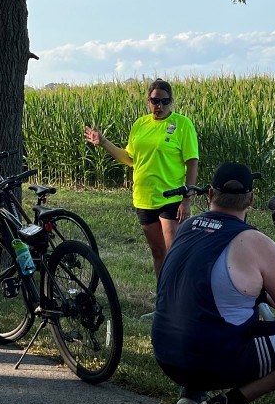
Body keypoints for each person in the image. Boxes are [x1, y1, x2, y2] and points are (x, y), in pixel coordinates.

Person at [151, 162, 275, 404]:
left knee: (206, 312)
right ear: (251, 200)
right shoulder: (257, 243)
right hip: (211, 362)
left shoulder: (186, 228)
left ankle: (192, 390)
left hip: (165, 354)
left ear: (210, 194)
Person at [84, 79, 198, 278]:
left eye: (165, 101)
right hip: (144, 198)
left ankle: (179, 302)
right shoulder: (140, 124)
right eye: (155, 101)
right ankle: (162, 301)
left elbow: (192, 163)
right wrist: (103, 142)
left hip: (172, 198)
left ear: (171, 101)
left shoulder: (182, 125)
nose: (159, 106)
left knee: (174, 254)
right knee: (158, 252)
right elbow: (129, 158)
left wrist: (187, 199)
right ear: (148, 101)